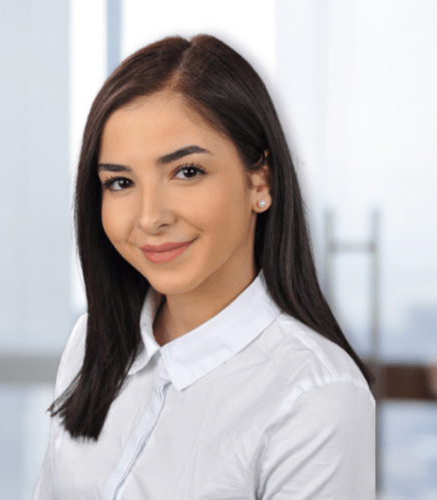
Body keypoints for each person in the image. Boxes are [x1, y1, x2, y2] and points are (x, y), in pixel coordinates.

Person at [33, 34, 376, 500]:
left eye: (187, 172)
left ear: (261, 180)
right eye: (120, 182)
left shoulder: (316, 397)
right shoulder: (90, 343)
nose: (150, 217)